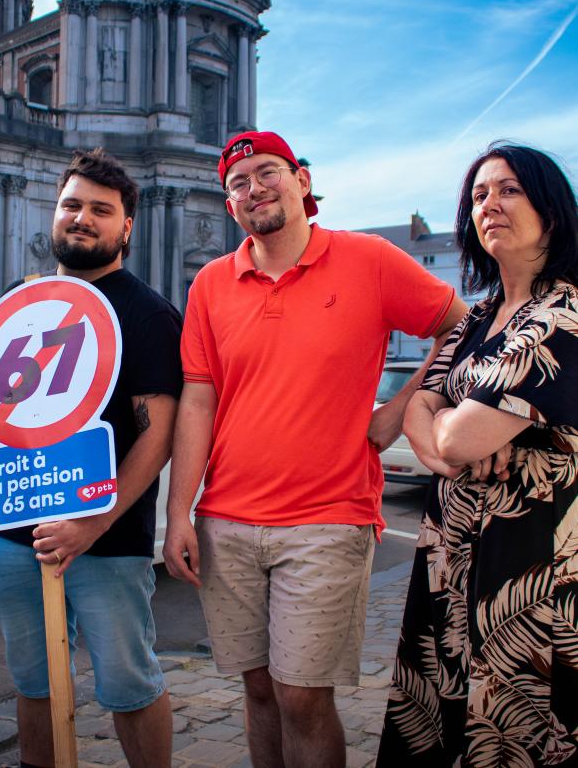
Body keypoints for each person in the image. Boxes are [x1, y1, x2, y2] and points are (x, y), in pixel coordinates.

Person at [164, 130, 468, 768]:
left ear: (302, 180)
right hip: (227, 519)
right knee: (258, 691)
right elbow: (198, 399)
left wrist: (405, 405)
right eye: (238, 184)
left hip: (329, 516)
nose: (254, 189)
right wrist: (178, 515)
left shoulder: (370, 260)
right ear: (231, 207)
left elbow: (459, 325)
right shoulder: (211, 285)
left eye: (267, 171)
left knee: (303, 696)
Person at [0, 149, 182, 768]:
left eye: (101, 209)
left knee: (129, 687)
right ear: (55, 213)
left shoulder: (147, 313)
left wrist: (94, 523)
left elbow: (158, 435)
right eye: (72, 205)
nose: (82, 219)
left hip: (105, 543)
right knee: (34, 687)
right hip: (13, 537)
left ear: (127, 227)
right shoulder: (23, 299)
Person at [377, 143, 578, 766]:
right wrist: (438, 422)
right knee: (446, 711)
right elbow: (423, 407)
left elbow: (456, 437)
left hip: (529, 562)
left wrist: (444, 428)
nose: (490, 203)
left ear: (551, 207)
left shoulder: (563, 312)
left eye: (510, 189)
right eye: (479, 195)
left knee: (512, 724)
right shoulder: (479, 316)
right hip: (451, 556)